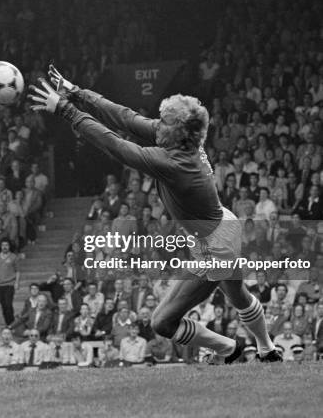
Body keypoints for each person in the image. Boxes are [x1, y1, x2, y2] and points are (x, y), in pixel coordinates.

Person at [28, 66, 281, 363]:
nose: (157, 124)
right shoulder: (181, 143)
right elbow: (125, 117)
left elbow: (116, 145)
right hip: (221, 228)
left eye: (164, 121)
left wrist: (67, 110)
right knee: (238, 297)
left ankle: (229, 348)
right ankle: (266, 349)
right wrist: (77, 92)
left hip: (215, 246)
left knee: (162, 322)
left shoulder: (175, 163)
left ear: (175, 132)